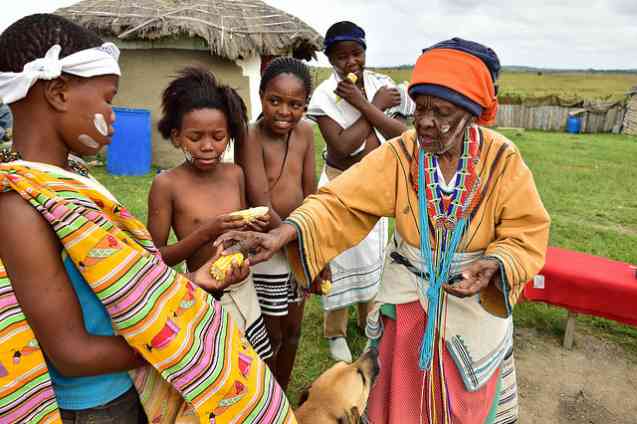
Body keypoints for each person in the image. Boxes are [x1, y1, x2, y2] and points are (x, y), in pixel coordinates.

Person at [218, 38, 550, 424]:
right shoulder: (402, 153)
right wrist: (283, 234)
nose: (425, 121)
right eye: (420, 107)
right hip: (408, 302)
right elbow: (341, 202)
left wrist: (496, 263)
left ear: (471, 114)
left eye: (440, 112)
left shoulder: (501, 159)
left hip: (472, 310)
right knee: (400, 400)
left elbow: (526, 229)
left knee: (463, 405)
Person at [0, 14, 293, 424]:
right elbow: (71, 354)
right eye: (107, 98)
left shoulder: (72, 180)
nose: (114, 114)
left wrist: (196, 286)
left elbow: (119, 287)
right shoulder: (19, 207)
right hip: (96, 404)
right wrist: (180, 337)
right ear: (59, 92)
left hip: (128, 384)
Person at [147, 66, 273, 360]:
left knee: (249, 365)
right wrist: (207, 231)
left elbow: (244, 237)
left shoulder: (235, 174)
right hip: (201, 295)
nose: (207, 146)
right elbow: (154, 259)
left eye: (218, 137)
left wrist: (254, 234)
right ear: (177, 137)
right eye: (195, 137)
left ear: (229, 135)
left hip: (242, 287)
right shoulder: (167, 184)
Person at [307, 20, 415, 362]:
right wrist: (373, 107)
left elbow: (404, 135)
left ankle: (368, 319)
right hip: (341, 186)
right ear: (330, 60)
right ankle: (335, 331)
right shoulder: (325, 95)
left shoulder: (382, 85)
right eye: (341, 57)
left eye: (357, 53)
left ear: (365, 51)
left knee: (372, 258)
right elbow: (340, 147)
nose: (351, 62)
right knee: (340, 256)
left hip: (377, 190)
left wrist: (369, 104)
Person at [236, 56, 322, 390]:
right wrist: (291, 236)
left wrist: (313, 245)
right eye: (275, 101)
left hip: (298, 244)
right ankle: (265, 398)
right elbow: (260, 203)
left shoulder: (306, 133)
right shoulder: (249, 135)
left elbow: (311, 193)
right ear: (260, 96)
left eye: (294, 104)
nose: (284, 111)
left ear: (305, 105)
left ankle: (281, 394)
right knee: (269, 334)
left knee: (293, 330)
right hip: (266, 246)